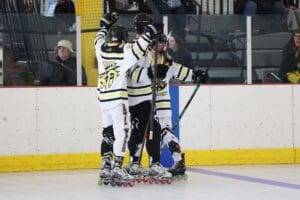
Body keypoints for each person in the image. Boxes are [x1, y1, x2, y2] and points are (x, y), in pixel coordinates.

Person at [95, 12, 157, 185]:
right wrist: (150, 31)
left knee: (107, 131)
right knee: (122, 131)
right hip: (117, 98)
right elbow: (139, 47)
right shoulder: (125, 52)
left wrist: (103, 26)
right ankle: (117, 168)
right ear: (123, 38)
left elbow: (97, 38)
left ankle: (105, 166)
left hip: (102, 97)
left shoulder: (101, 49)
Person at [148, 33, 208, 177]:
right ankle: (149, 163)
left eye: (162, 44)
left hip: (161, 102)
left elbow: (182, 72)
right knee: (152, 135)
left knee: (165, 132)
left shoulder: (168, 62)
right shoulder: (143, 60)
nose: (160, 47)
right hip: (146, 103)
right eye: (158, 44)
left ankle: (177, 160)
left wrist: (196, 75)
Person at [126, 13, 172, 182]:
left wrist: (156, 72)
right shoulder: (133, 47)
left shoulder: (146, 46)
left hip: (145, 95)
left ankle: (140, 163)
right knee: (144, 130)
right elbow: (130, 72)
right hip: (137, 97)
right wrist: (150, 73)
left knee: (148, 129)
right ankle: (144, 163)